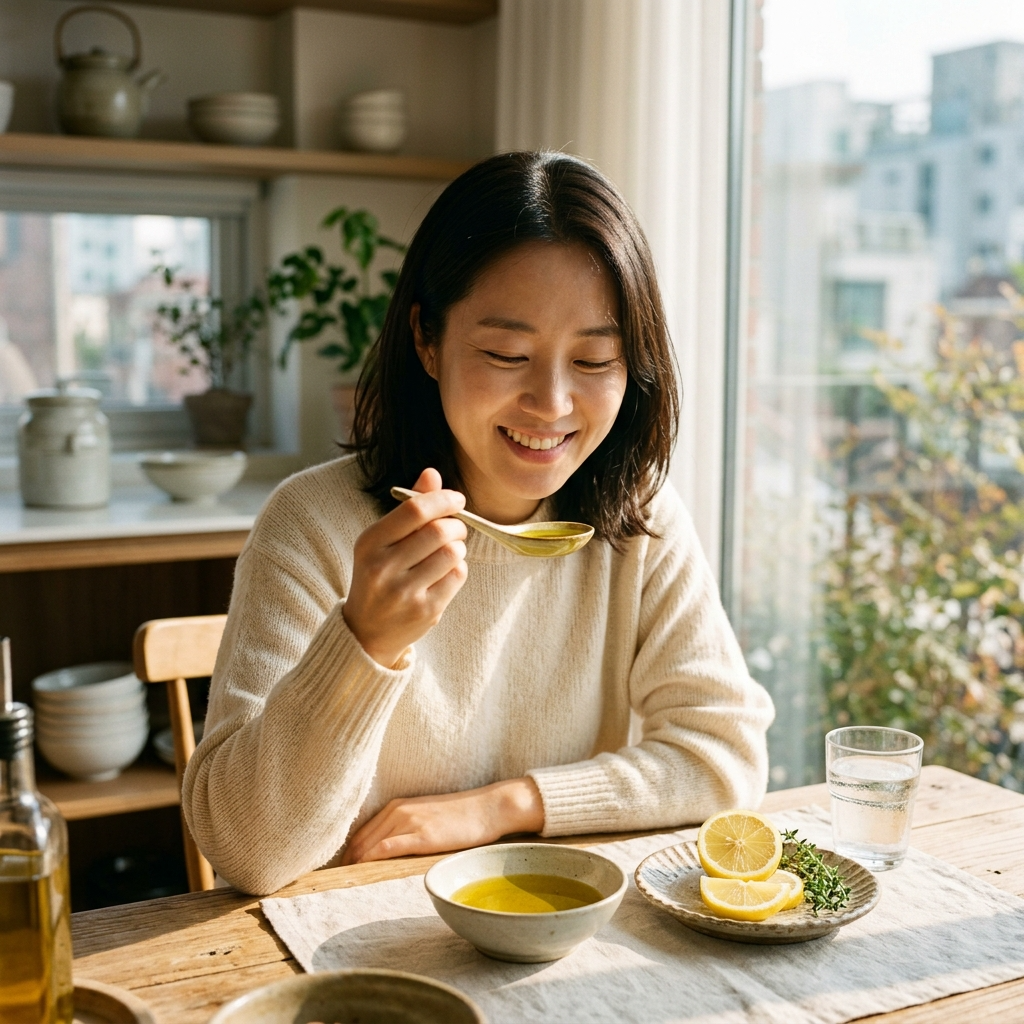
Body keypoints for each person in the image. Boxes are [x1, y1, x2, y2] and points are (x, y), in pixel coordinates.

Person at [182, 152, 774, 896]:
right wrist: (365, 639)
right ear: (427, 340)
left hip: (557, 930)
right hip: (354, 943)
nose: (552, 403)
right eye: (507, 354)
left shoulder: (638, 519)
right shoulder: (314, 523)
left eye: (594, 360)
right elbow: (249, 852)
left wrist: (503, 808)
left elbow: (725, 756)